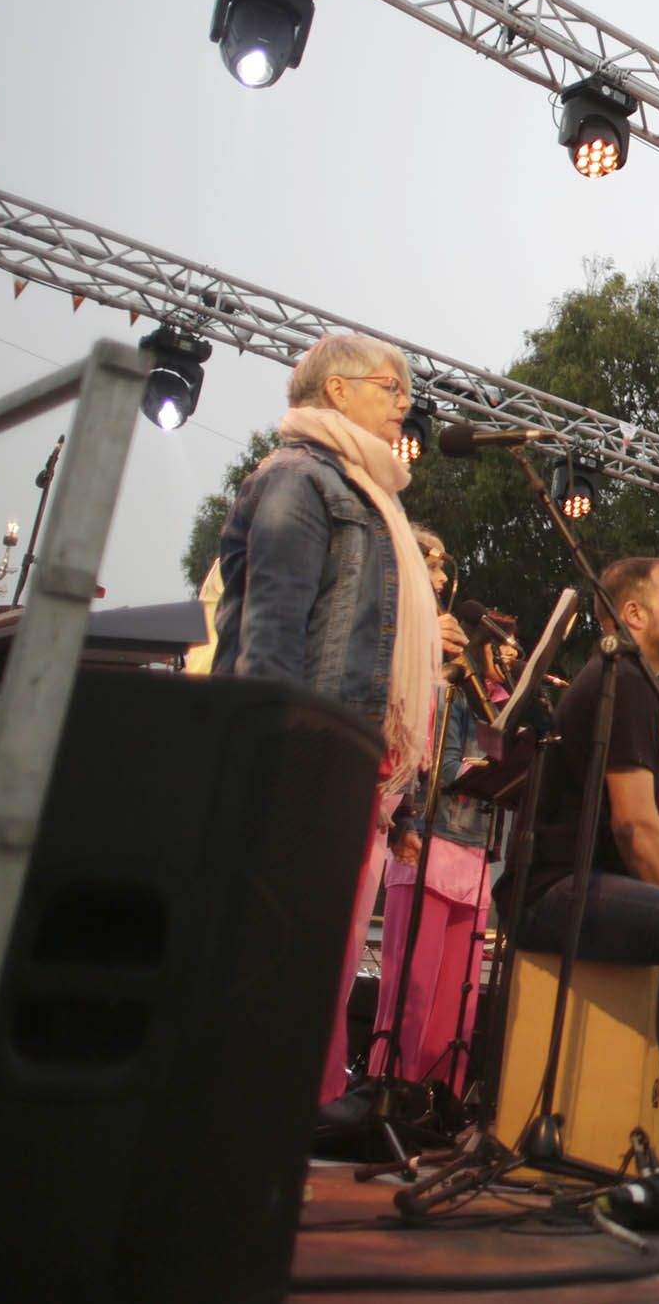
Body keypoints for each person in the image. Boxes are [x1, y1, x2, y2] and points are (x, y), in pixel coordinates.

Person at [208, 332, 459, 1110]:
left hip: (353, 773)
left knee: (320, 963)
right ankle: (258, 1116)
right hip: (307, 762)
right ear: (338, 390)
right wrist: (282, 766)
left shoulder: (370, 497)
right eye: (390, 388)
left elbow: (377, 659)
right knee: (284, 956)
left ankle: (288, 1117)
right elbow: (270, 637)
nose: (404, 406)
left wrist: (403, 808)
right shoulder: (299, 479)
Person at [518, 557, 659, 1168]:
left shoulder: (632, 682)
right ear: (635, 614)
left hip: (579, 885)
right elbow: (635, 825)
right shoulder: (624, 679)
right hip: (550, 892)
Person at [373, 528, 497, 1093]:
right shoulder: (402, 652)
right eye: (434, 567)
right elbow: (430, 763)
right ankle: (384, 1097)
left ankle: (436, 1102)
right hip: (418, 835)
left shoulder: (463, 682)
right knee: (410, 996)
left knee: (455, 1008)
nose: (444, 580)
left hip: (467, 849)